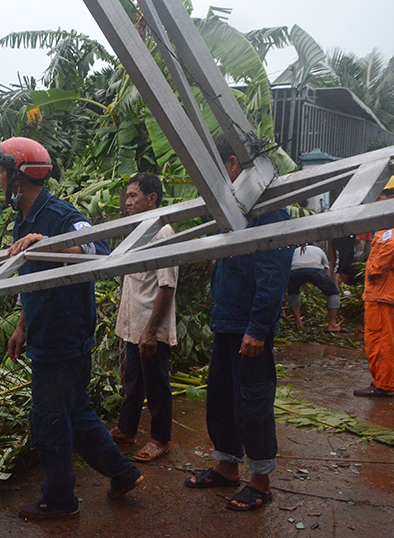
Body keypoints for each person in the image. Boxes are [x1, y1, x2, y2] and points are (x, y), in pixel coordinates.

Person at [0, 137, 142, 520]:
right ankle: (122, 473)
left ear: (20, 177)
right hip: (43, 330)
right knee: (76, 412)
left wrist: (51, 243)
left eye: (2, 173)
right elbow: (28, 278)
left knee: (49, 421)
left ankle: (60, 500)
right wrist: (22, 325)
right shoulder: (23, 219)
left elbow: (99, 249)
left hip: (64, 335)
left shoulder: (58, 214)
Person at [185, 136, 293, 512]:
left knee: (252, 403)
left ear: (233, 164)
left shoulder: (267, 209)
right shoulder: (233, 209)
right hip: (227, 321)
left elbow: (274, 272)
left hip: (247, 326)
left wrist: (258, 327)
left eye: (216, 169)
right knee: (222, 398)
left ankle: (260, 480)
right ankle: (226, 465)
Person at [111, 172, 178, 462]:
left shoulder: (162, 234)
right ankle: (127, 430)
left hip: (150, 327)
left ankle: (160, 439)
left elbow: (167, 285)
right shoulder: (137, 232)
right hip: (132, 326)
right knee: (133, 382)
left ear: (152, 199)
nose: (127, 201)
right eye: (127, 196)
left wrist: (151, 331)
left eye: (133, 196)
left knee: (156, 385)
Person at [354, 180, 394, 398]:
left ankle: (384, 385)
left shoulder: (390, 226)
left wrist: (376, 269)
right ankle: (385, 380)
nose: (377, 201)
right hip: (382, 294)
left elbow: (391, 248)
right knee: (383, 340)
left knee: (380, 341)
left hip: (381, 294)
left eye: (380, 197)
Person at [287, 245, 341, 332]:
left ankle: (298, 322)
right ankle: (332, 324)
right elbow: (326, 269)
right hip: (315, 269)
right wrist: (326, 285)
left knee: (293, 293)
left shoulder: (295, 250)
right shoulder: (319, 250)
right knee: (333, 293)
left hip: (295, 270)